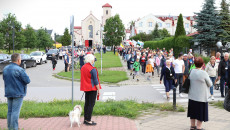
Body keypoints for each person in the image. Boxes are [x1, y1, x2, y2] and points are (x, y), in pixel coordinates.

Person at [3, 53, 30, 130]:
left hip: (8, 92)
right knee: (15, 112)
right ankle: (14, 128)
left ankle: (10, 127)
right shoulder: (20, 69)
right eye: (20, 59)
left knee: (10, 111)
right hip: (18, 93)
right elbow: (27, 80)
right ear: (18, 60)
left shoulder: (5, 68)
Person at [188, 57, 212, 130]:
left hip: (192, 96)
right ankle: (199, 127)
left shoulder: (191, 71)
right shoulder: (203, 73)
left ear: (194, 64)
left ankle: (192, 126)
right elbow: (210, 84)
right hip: (201, 97)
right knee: (200, 113)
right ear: (202, 64)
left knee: (193, 112)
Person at [80, 54, 101, 126]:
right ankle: (88, 120)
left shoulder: (83, 67)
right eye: (94, 59)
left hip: (86, 88)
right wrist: (98, 90)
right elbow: (96, 81)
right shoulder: (92, 69)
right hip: (92, 88)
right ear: (92, 60)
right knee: (91, 104)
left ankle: (85, 119)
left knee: (87, 103)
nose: (94, 61)